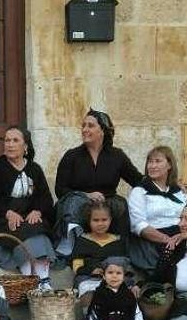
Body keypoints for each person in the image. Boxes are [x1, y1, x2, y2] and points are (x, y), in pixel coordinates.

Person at [54, 109, 143, 257]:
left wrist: (169, 183)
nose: (85, 130)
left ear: (102, 131)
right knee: (73, 203)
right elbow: (60, 189)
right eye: (83, 126)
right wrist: (86, 195)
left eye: (90, 126)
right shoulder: (72, 156)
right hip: (79, 202)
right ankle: (72, 249)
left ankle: (120, 254)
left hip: (107, 202)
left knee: (121, 204)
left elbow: (138, 180)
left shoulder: (117, 156)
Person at [0, 126, 56, 289]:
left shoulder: (34, 169)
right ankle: (36, 281)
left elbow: (45, 198)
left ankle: (42, 280)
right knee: (22, 233)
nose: (10, 144)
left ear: (25, 146)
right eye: (7, 140)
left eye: (15, 140)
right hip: (3, 220)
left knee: (39, 230)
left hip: (29, 218)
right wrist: (7, 213)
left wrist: (38, 211)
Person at [127, 146, 187, 275]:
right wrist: (167, 239)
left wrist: (181, 236)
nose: (152, 166)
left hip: (180, 237)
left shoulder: (178, 192)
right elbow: (138, 224)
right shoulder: (140, 191)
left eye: (158, 161)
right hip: (153, 239)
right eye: (150, 162)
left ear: (169, 165)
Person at [70, 201, 130, 301]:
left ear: (110, 220)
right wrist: (91, 271)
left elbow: (124, 265)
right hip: (89, 278)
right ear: (89, 221)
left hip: (115, 278)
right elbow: (77, 265)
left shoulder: (118, 241)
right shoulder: (82, 241)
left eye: (104, 220)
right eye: (96, 220)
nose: (100, 224)